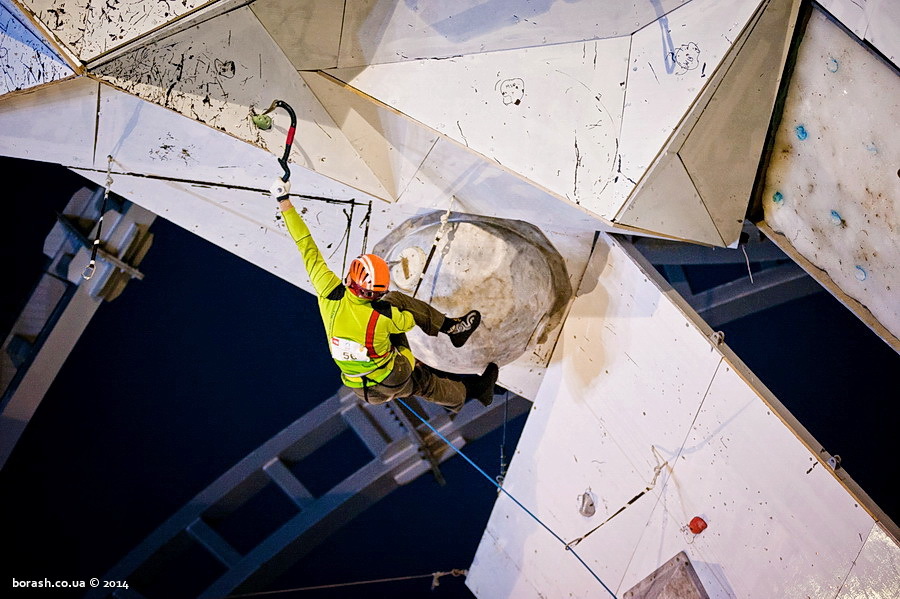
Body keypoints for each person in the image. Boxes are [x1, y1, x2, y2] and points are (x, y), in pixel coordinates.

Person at [278, 196, 499, 412]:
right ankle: (450, 328)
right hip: (393, 373)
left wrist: (285, 205)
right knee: (396, 302)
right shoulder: (381, 316)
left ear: (350, 278)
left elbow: (306, 246)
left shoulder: (328, 293)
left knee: (422, 384)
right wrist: (284, 200)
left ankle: (476, 391)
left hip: (360, 388)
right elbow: (407, 323)